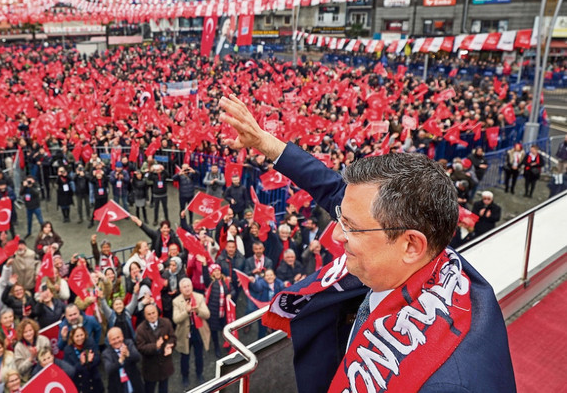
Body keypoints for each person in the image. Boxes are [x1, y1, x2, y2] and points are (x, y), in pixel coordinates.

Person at [218, 93, 515, 392]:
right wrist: (264, 142)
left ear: (411, 245)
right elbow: (333, 187)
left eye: (351, 227)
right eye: (341, 218)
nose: (335, 235)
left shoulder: (449, 383)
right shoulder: (423, 248)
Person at [172, 278, 210, 387]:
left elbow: (207, 314)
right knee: (185, 357)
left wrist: (197, 311)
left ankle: (200, 374)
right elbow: (176, 319)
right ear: (180, 289)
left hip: (198, 331)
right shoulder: (176, 301)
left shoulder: (199, 297)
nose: (187, 288)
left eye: (189, 286)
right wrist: (186, 312)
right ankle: (185, 377)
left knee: (199, 355)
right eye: (185, 287)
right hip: (184, 334)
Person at [134, 303, 175, 393]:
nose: (152, 316)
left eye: (153, 313)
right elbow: (140, 347)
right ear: (145, 316)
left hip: (165, 365)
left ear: (157, 312)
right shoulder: (140, 329)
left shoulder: (166, 322)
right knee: (149, 389)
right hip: (150, 368)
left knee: (164, 389)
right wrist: (155, 346)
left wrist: (169, 345)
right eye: (149, 314)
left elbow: (172, 337)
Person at [63, 326, 103, 393]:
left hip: (94, 382)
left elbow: (98, 359)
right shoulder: (68, 350)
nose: (80, 338)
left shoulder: (90, 343)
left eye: (81, 335)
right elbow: (69, 371)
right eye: (77, 336)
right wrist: (81, 363)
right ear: (72, 337)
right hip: (80, 384)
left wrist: (90, 361)